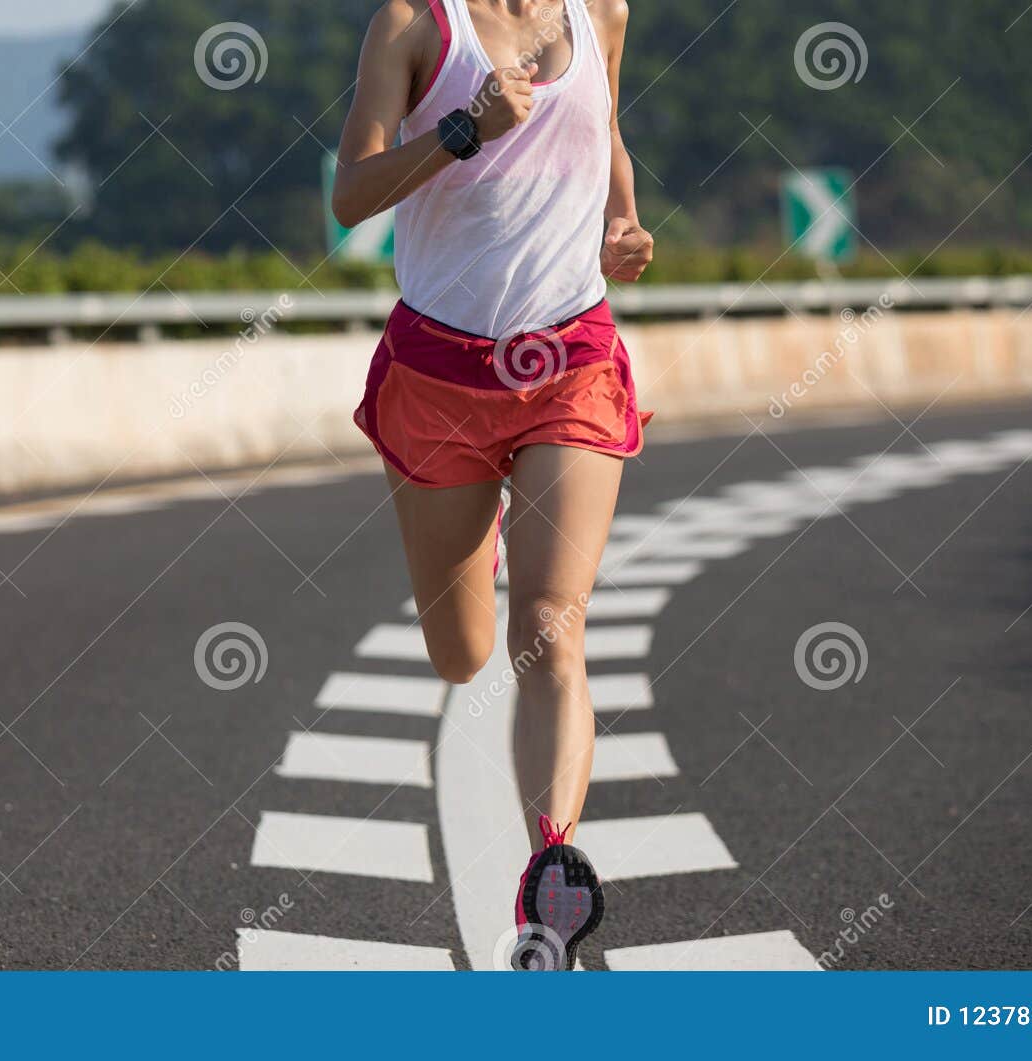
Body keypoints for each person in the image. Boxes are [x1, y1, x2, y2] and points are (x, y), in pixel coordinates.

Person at [333, 0, 653, 969]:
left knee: (550, 623)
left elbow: (606, 132)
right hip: (440, 377)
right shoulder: (413, 24)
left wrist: (623, 218)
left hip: (569, 360)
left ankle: (548, 877)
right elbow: (350, 195)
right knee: (461, 649)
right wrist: (462, 130)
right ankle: (484, 553)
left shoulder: (600, 11)